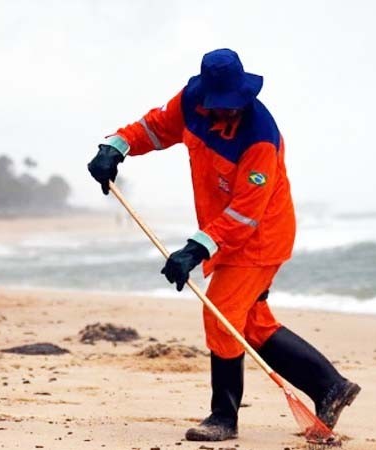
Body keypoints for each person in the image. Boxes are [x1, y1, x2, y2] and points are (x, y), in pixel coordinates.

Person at [87, 49, 360, 441]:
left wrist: (194, 250)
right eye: (222, 104)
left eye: (235, 104)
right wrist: (117, 146)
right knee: (250, 324)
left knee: (221, 316)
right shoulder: (190, 102)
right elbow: (155, 128)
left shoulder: (260, 138)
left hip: (261, 237)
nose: (230, 111)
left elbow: (246, 214)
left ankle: (223, 417)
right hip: (226, 233)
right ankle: (330, 387)